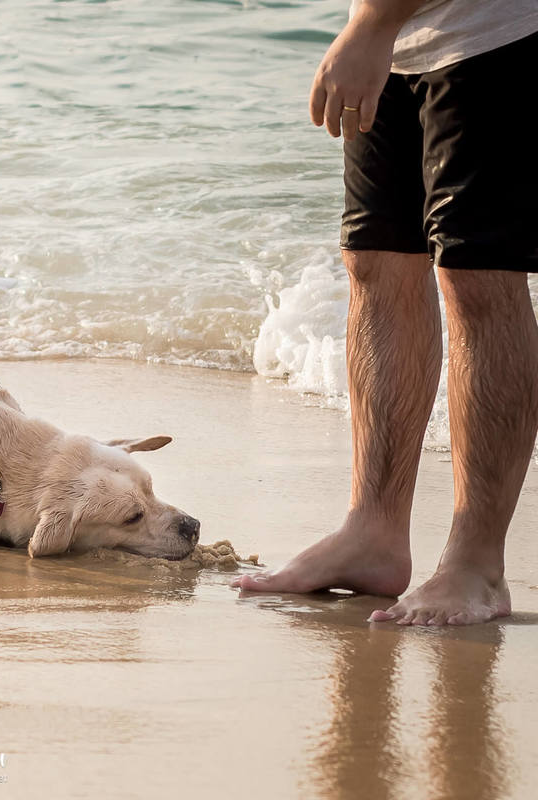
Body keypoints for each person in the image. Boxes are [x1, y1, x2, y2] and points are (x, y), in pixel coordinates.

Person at [231, 0, 538, 625]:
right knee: (376, 263)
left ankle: (477, 565)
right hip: (399, 43)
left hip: (494, 36)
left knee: (476, 276)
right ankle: (373, 532)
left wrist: (369, 25)